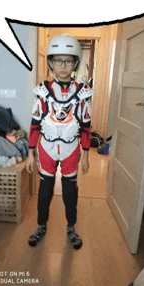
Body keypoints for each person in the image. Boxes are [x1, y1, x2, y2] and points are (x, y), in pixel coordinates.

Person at [26, 34, 94, 250]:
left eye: (67, 60)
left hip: (70, 150)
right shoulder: (43, 92)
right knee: (44, 191)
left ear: (75, 63)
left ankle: (71, 227)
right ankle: (41, 226)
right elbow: (35, 124)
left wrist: (87, 156)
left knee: (69, 192)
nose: (63, 66)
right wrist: (30, 153)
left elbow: (85, 127)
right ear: (51, 62)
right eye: (58, 60)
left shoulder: (83, 94)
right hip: (45, 149)